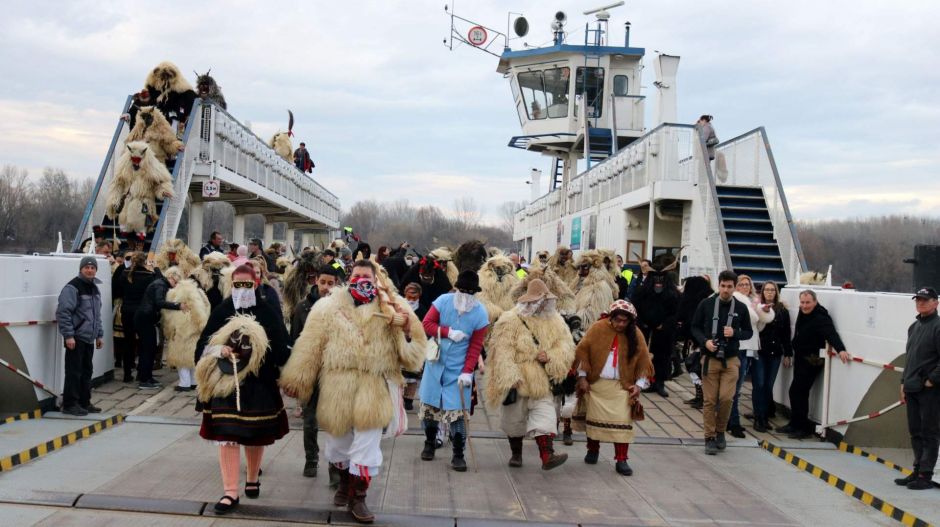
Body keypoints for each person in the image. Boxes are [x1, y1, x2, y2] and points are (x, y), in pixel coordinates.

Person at [280, 259, 426, 524]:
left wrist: (404, 329)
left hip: (374, 386)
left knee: (367, 444)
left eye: (366, 276)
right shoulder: (327, 306)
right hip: (338, 384)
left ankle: (359, 497)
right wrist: (298, 378)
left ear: (376, 279)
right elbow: (311, 344)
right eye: (356, 275)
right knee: (338, 445)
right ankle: (344, 483)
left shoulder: (394, 305)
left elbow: (414, 352)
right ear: (349, 277)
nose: (361, 280)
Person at [194, 264, 291, 514]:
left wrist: (259, 351)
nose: (242, 289)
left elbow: (282, 349)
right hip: (226, 384)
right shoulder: (223, 310)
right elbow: (201, 348)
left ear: (256, 285)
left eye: (247, 284)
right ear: (231, 285)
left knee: (254, 434)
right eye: (237, 284)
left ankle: (251, 478)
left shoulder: (268, 311)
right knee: (227, 436)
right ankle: (229, 492)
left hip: (259, 383)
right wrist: (219, 350)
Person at [486, 279, 574, 470]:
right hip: (519, 380)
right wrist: (510, 375)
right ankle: (516, 453)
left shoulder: (556, 321)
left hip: (543, 379)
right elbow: (501, 349)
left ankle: (547, 455)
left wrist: (550, 356)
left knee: (546, 416)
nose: (543, 305)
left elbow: (566, 346)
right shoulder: (510, 320)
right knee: (514, 421)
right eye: (539, 301)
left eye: (545, 301)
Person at [419, 270, 489, 472]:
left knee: (457, 413)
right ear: (457, 288)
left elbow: (476, 346)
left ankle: (458, 453)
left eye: (470, 292)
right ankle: (430, 443)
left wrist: (468, 371)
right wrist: (447, 332)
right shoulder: (443, 301)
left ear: (475, 292)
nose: (466, 294)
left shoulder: (481, 313)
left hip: (458, 369)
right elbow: (427, 324)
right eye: (463, 290)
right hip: (435, 364)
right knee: (431, 408)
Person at [574, 300, 653, 475]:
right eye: (618, 320)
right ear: (611, 318)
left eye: (625, 321)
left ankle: (622, 459)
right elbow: (582, 351)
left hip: (622, 387)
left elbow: (644, 360)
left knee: (623, 422)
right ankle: (592, 450)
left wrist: (639, 385)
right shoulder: (597, 328)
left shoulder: (636, 334)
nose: (621, 324)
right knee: (593, 420)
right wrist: (582, 378)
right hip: (597, 384)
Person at [691, 270, 753, 455]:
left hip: (731, 359)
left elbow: (749, 332)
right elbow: (694, 326)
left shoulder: (741, 308)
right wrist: (705, 342)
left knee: (727, 399)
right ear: (719, 285)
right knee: (710, 400)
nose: (726, 290)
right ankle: (709, 437)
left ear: (735, 288)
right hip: (710, 359)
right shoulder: (707, 304)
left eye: (729, 287)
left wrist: (735, 333)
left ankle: (720, 431)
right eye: (723, 286)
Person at [289, 265, 342, 479]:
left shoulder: (342, 307)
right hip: (311, 371)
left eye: (331, 283)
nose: (326, 287)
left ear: (336, 284)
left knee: (334, 421)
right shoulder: (302, 307)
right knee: (310, 420)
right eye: (323, 282)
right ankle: (311, 458)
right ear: (316, 281)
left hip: (335, 371)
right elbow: (294, 340)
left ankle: (335, 465)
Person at [778, 290, 850, 439]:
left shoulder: (820, 317)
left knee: (799, 392)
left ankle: (802, 428)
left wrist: (841, 349)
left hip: (812, 360)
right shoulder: (803, 312)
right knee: (796, 392)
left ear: (815, 302)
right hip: (801, 357)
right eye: (802, 302)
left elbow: (831, 334)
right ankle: (795, 424)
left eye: (808, 303)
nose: (804, 306)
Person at [896, 287, 940, 490]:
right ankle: (916, 470)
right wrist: (903, 382)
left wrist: (932, 379)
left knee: (929, 431)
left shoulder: (938, 326)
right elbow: (910, 358)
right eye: (918, 300)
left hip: (929, 390)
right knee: (915, 431)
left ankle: (925, 474)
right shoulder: (913, 327)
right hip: (912, 387)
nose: (920, 303)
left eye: (925, 300)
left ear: (935, 303)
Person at [55, 256, 105, 416]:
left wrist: (99, 335)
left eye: (92, 268)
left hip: (89, 338)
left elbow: (97, 315)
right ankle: (70, 404)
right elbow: (63, 312)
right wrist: (68, 335)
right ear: (81, 269)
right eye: (87, 268)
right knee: (74, 371)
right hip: (76, 337)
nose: (90, 270)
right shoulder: (72, 287)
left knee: (87, 371)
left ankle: (84, 401)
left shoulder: (94, 288)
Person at [727, 274, 774, 438]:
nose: (745, 287)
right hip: (740, 347)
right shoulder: (738, 301)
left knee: (737, 387)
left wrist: (763, 315)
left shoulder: (752, 302)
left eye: (747, 284)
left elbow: (757, 328)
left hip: (750, 347)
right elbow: (747, 321)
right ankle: (733, 422)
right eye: (741, 284)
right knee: (736, 387)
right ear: (736, 286)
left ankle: (730, 420)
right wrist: (758, 313)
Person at [136, 265, 187, 389]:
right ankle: (144, 380)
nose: (176, 285)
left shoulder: (160, 283)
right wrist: (178, 306)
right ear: (171, 277)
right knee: (148, 349)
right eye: (176, 281)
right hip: (145, 319)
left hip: (146, 318)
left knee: (149, 349)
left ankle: (147, 376)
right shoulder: (161, 285)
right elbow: (159, 302)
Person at [754, 281, 792, 432]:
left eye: (772, 290)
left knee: (769, 386)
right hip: (760, 351)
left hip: (775, 352)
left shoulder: (782, 310)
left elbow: (786, 333)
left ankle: (764, 416)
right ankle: (758, 418)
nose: (769, 293)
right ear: (762, 292)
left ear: (776, 293)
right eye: (767, 290)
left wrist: (788, 353)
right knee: (759, 385)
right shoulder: (758, 308)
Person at [115, 252, 157, 384]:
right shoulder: (149, 276)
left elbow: (118, 290)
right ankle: (142, 372)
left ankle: (127, 374)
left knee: (128, 342)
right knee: (144, 343)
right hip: (142, 311)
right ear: (145, 261)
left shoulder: (124, 273)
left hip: (126, 310)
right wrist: (154, 268)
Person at [402, 282, 426, 411]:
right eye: (409, 296)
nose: (411, 299)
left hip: (416, 343)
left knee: (413, 373)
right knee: (401, 372)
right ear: (405, 294)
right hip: (402, 342)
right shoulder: (400, 306)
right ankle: (399, 397)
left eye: (414, 296)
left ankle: (409, 398)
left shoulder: (422, 309)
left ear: (419, 295)